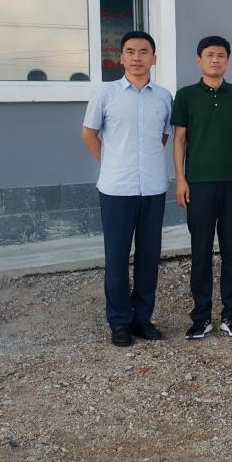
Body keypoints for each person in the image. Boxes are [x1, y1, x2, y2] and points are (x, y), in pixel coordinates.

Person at [81, 31, 172, 347]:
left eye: (144, 51)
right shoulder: (105, 94)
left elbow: (163, 136)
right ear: (120, 57)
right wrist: (111, 161)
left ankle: (142, 318)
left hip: (153, 188)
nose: (137, 57)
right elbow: (89, 134)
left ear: (153, 58)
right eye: (130, 51)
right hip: (117, 189)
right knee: (117, 258)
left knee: (149, 256)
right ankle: (119, 321)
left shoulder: (164, 97)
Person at [172, 36, 232, 340]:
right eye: (209, 55)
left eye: (221, 55)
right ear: (199, 59)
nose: (215, 60)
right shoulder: (186, 96)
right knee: (201, 251)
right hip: (199, 184)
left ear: (228, 60)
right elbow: (179, 140)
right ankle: (201, 317)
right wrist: (181, 179)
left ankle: (231, 315)